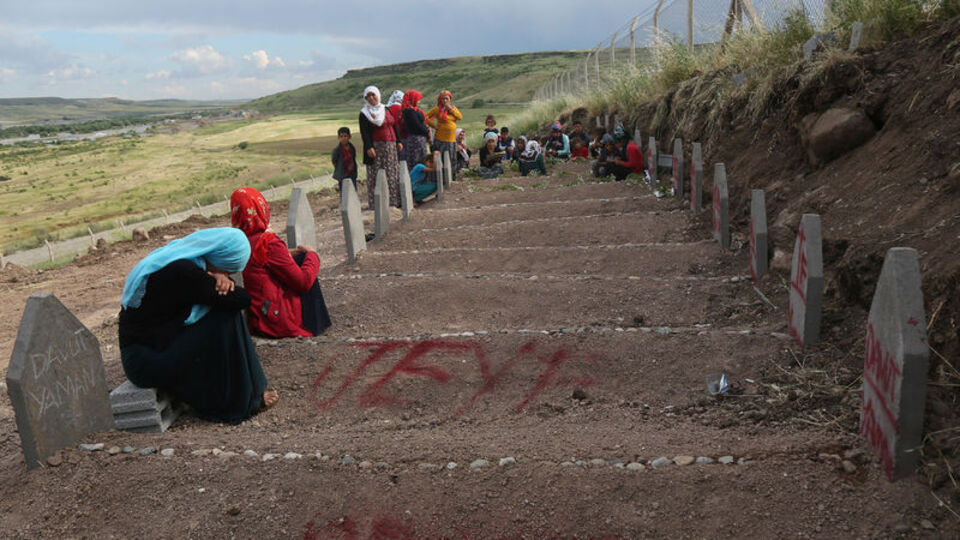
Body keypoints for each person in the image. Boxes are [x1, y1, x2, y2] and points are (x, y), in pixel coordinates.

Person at [119, 227, 276, 425]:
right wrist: (219, 279)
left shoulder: (182, 259)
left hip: (152, 348)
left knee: (220, 307)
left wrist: (219, 277)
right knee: (225, 315)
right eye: (229, 270)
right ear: (221, 259)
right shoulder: (184, 272)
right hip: (145, 363)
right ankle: (238, 403)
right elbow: (243, 299)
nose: (228, 275)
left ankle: (251, 390)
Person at [230, 186, 332, 338]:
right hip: (278, 318)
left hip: (260, 315)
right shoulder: (267, 242)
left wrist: (287, 254)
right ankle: (316, 325)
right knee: (305, 261)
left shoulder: (238, 240)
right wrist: (312, 255)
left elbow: (261, 263)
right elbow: (302, 283)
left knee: (298, 259)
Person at [358, 86, 403, 209]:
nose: (371, 98)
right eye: (368, 96)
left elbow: (393, 126)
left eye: (373, 95)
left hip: (391, 147)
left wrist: (398, 141)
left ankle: (393, 201)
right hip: (376, 147)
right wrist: (369, 147)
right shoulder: (364, 113)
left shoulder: (386, 109)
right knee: (377, 174)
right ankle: (377, 203)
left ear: (378, 95)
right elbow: (364, 132)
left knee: (392, 172)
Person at [424, 90, 462, 174]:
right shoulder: (437, 109)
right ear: (440, 100)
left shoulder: (453, 109)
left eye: (446, 99)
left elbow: (460, 117)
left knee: (451, 159)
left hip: (451, 140)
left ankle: (452, 177)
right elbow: (424, 116)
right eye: (442, 99)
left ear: (450, 99)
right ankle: (441, 177)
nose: (444, 101)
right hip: (440, 139)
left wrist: (450, 110)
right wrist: (433, 125)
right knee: (440, 159)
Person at [400, 90, 429, 172]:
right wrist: (427, 131)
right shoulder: (409, 112)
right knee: (417, 160)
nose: (419, 102)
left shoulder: (411, 110)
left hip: (418, 138)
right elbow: (417, 126)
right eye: (418, 99)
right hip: (416, 140)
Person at [331, 127, 358, 201]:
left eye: (345, 136)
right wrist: (339, 169)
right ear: (338, 137)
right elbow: (334, 161)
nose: (343, 138)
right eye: (341, 136)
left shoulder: (352, 148)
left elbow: (353, 157)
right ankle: (344, 206)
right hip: (342, 174)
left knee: (353, 190)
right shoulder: (337, 150)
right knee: (343, 193)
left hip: (352, 173)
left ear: (349, 137)